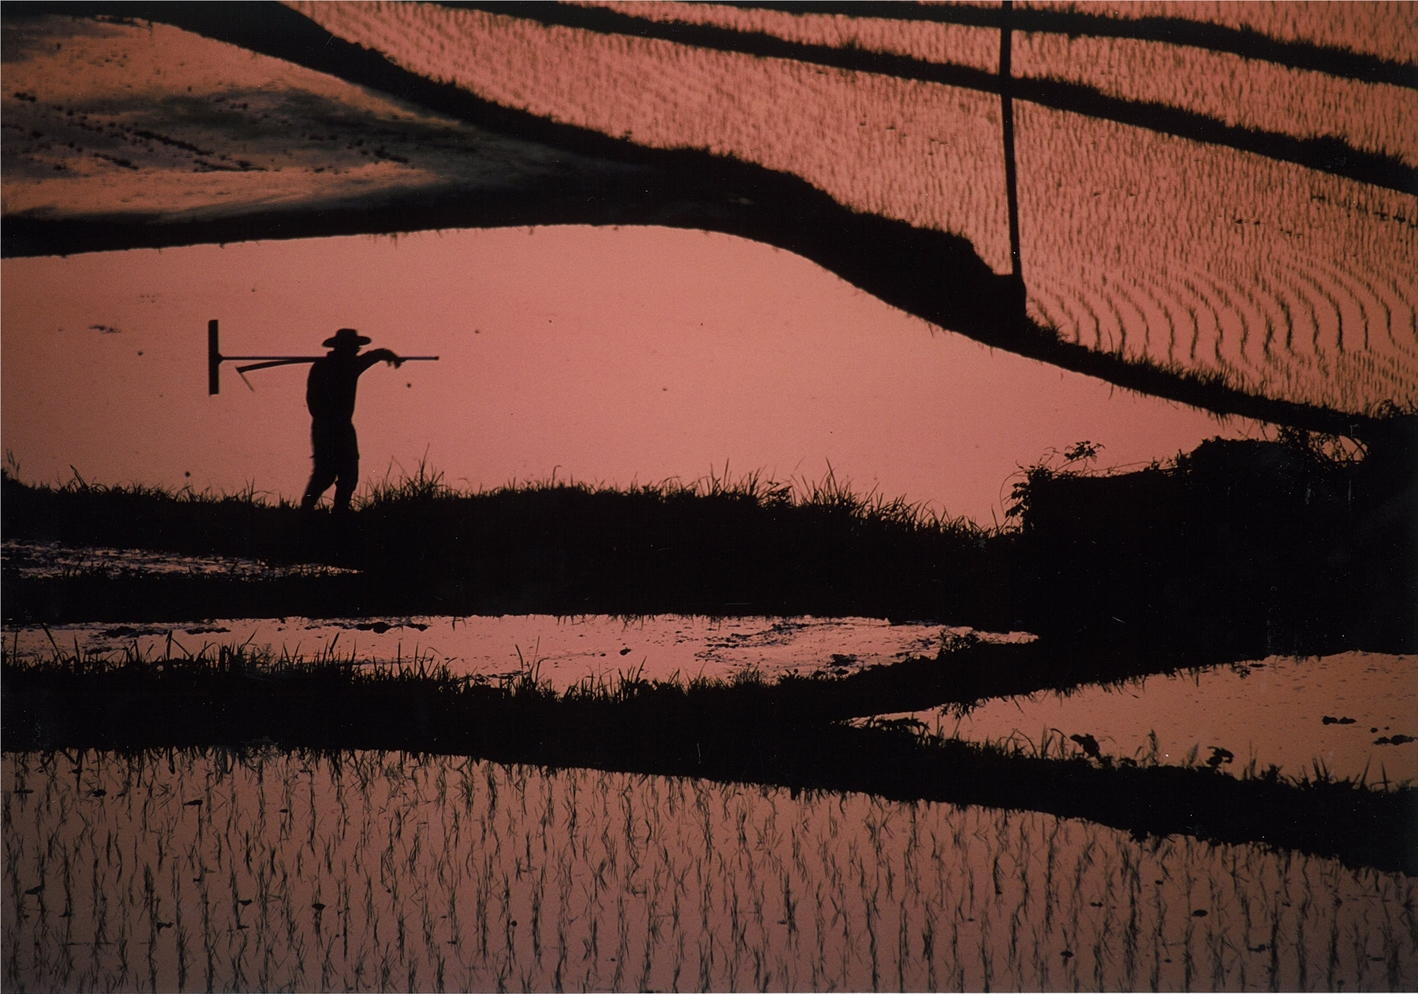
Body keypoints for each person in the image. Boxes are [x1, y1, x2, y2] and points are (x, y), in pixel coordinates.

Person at [300, 328, 403, 514]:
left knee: (342, 473)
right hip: (330, 426)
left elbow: (374, 355)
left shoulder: (330, 366)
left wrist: (386, 354)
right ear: (343, 348)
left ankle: (337, 510)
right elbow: (313, 402)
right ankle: (310, 509)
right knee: (329, 473)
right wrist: (387, 355)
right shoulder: (342, 367)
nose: (356, 350)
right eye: (353, 347)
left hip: (333, 426)